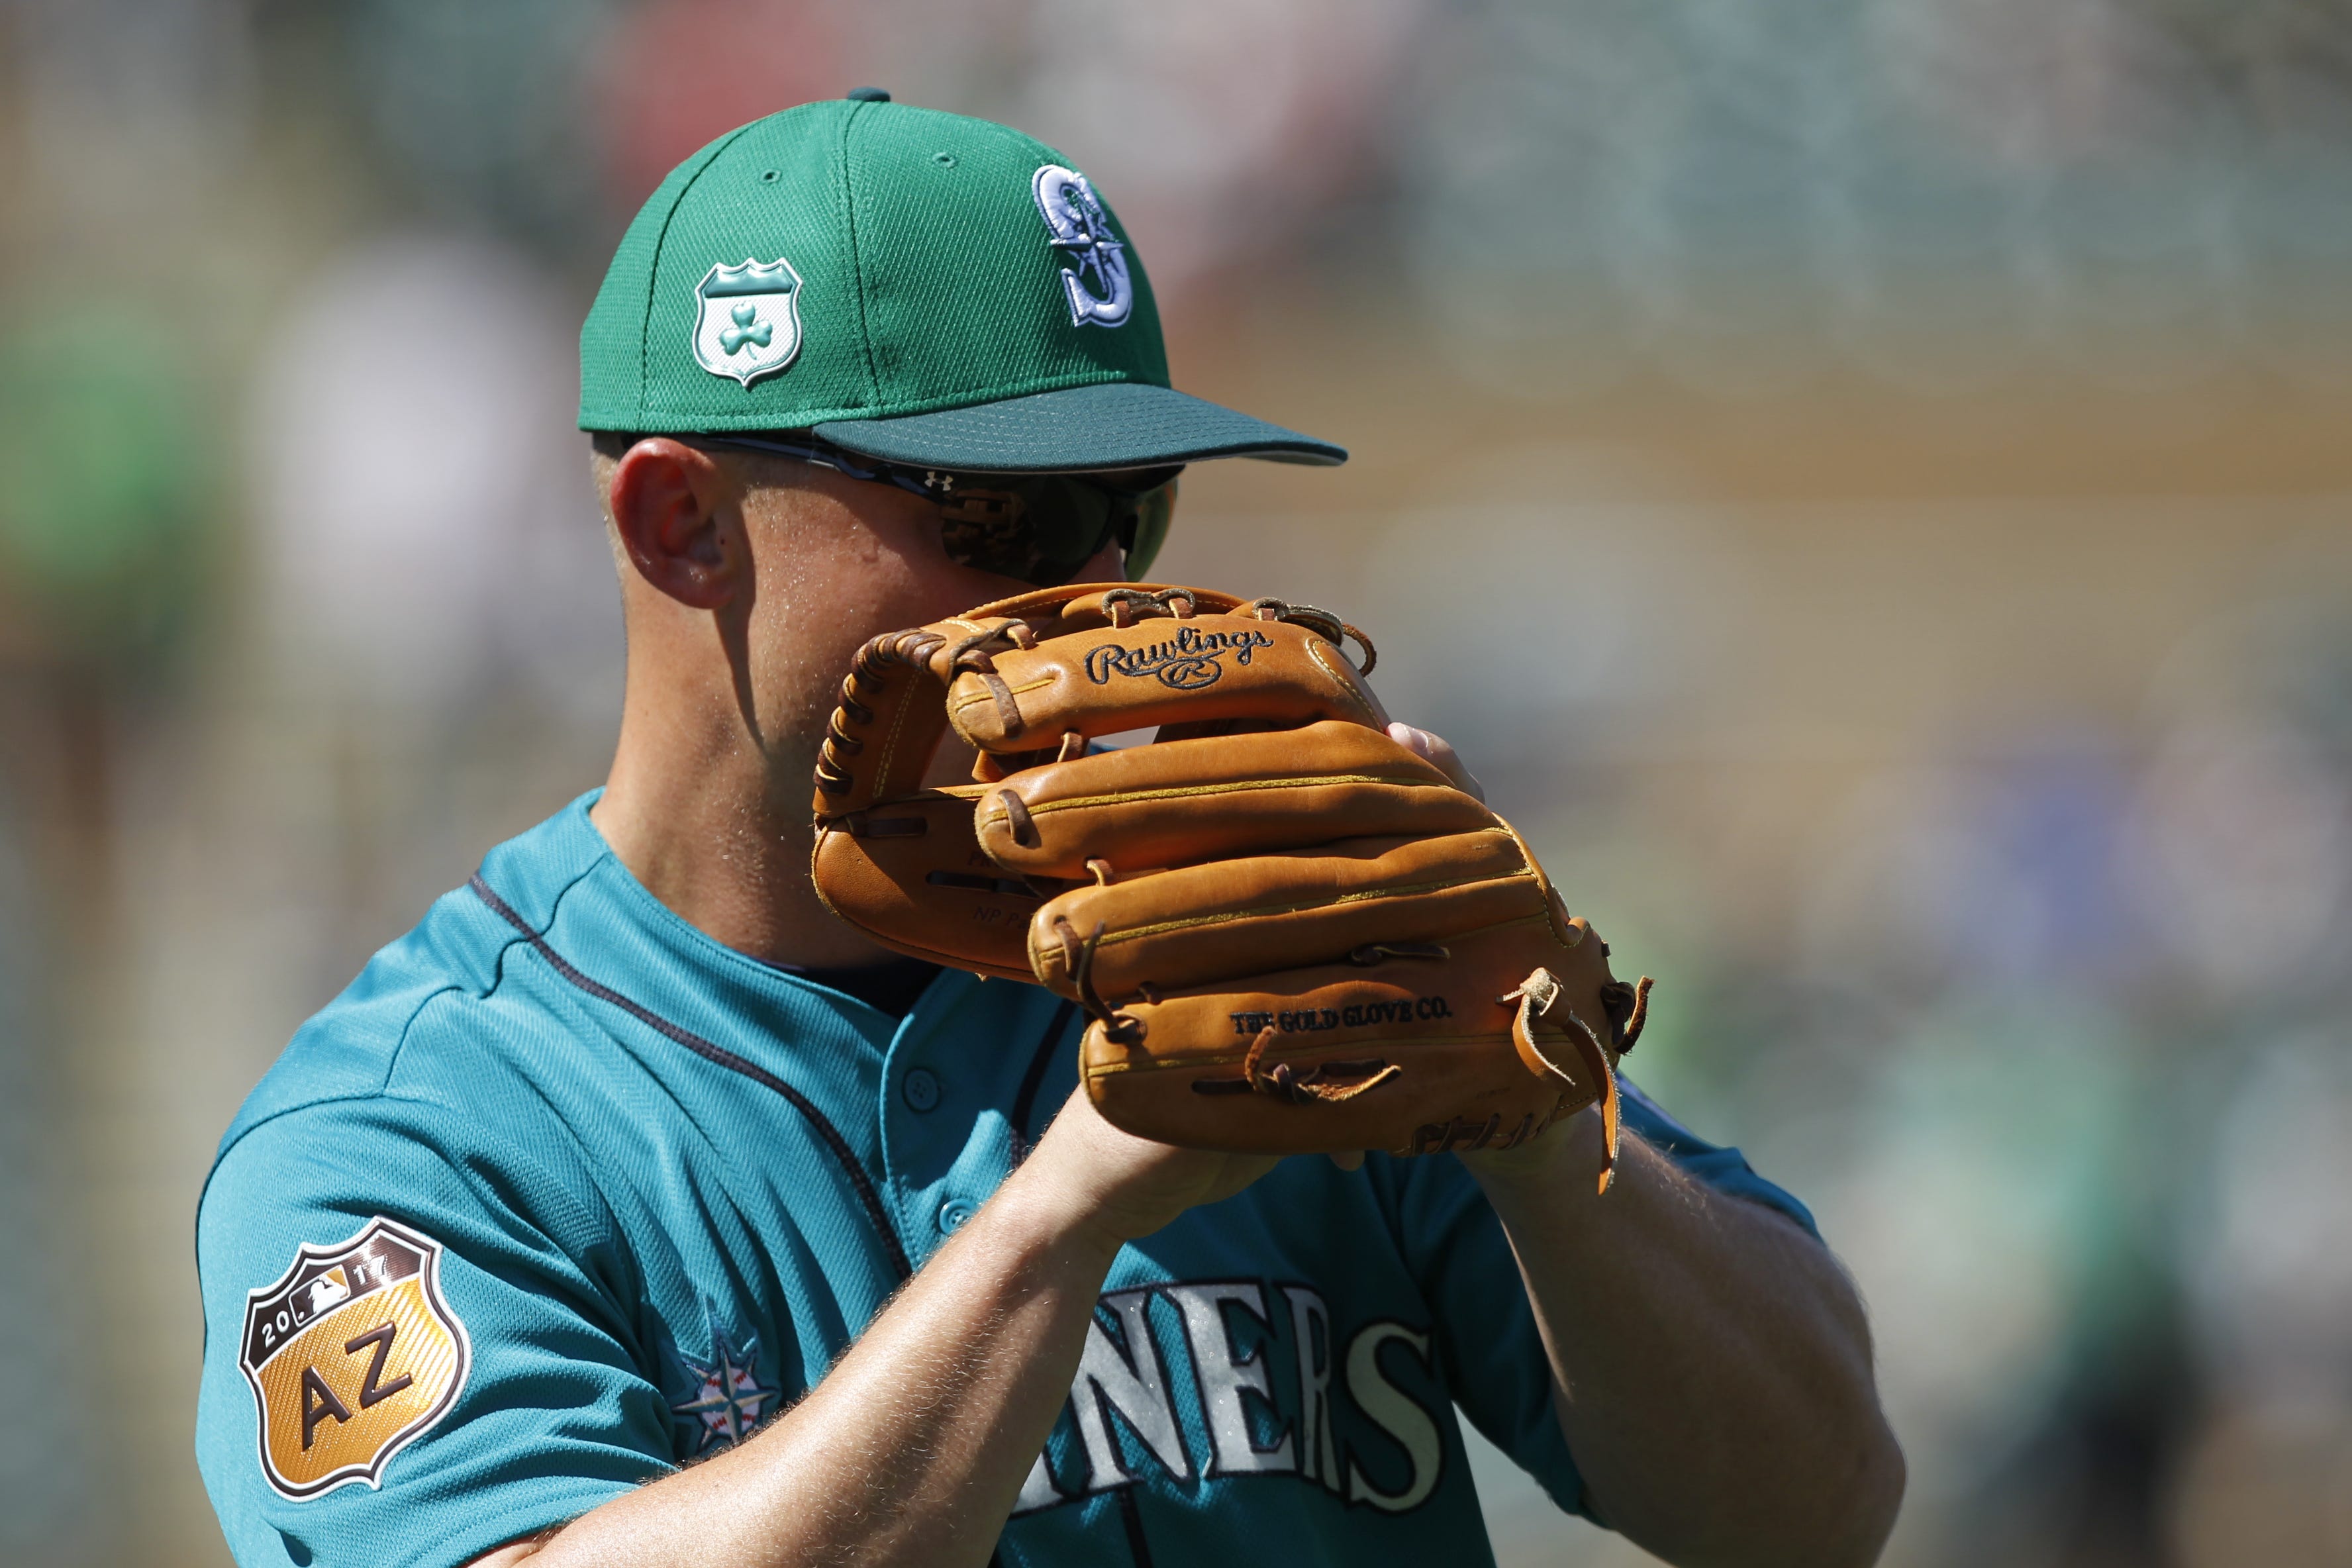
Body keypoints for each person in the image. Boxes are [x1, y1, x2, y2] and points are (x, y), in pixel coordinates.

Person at [195, 93, 1903, 1568]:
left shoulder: (1269, 936)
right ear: (681, 520)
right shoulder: (415, 1129)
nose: (1095, 592)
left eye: (1126, 508)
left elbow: (1817, 1509)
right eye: (1000, 512)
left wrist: (1540, 1123)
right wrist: (1057, 1215)